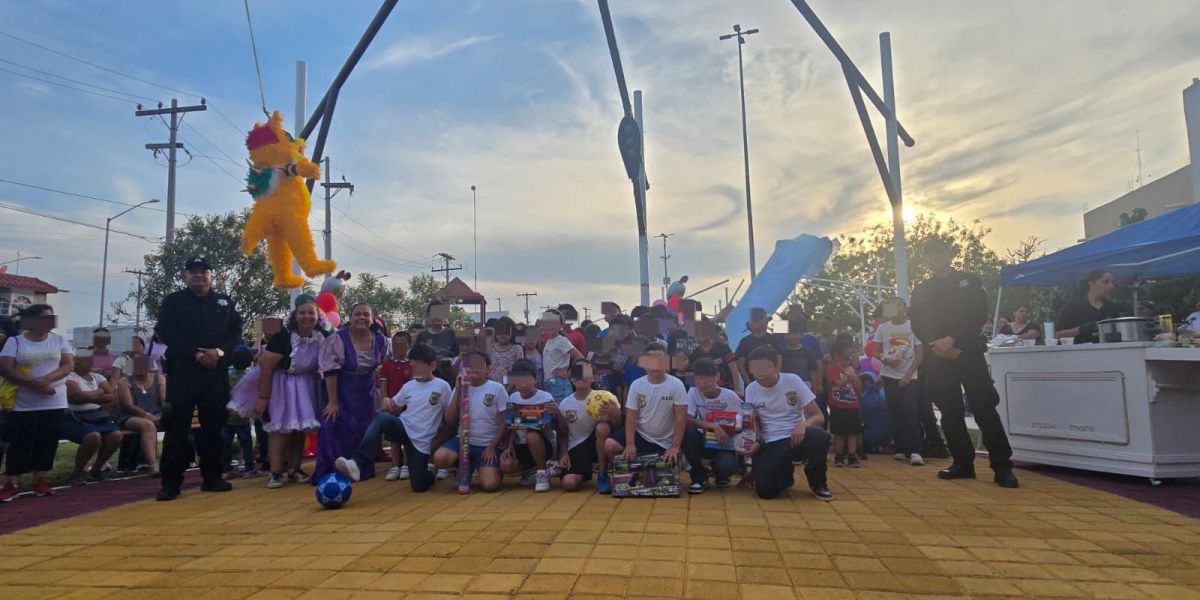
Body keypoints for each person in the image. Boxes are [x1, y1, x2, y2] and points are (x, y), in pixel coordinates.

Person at [910, 239, 1018, 488]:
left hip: (967, 352)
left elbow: (978, 314)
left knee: (984, 408)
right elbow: (918, 322)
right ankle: (962, 462)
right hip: (938, 356)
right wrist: (936, 343)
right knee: (949, 412)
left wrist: (954, 340)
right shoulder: (922, 290)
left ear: (949, 255)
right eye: (930, 255)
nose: (935, 258)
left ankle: (1002, 467)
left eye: (939, 253)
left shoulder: (969, 282)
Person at [153, 257, 244, 501]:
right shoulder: (173, 302)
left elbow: (236, 331)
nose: (199, 276)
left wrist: (219, 352)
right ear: (186, 276)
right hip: (183, 372)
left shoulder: (224, 302)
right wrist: (195, 353)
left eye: (203, 272)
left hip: (214, 372)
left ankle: (213, 478)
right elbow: (166, 332)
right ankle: (170, 484)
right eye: (193, 273)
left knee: (213, 427)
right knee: (177, 428)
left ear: (211, 275)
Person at [335, 344, 450, 492]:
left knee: (419, 486)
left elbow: (449, 417)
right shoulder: (409, 386)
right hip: (403, 427)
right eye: (413, 365)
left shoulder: (442, 386)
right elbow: (391, 406)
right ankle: (357, 463)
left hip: (421, 441)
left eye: (418, 365)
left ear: (432, 365)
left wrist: (440, 440)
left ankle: (428, 472)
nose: (413, 369)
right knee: (382, 419)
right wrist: (386, 402)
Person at [606, 343, 708, 494]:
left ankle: (698, 475)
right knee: (609, 445)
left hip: (667, 438)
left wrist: (674, 446)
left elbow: (681, 418)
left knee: (690, 435)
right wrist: (630, 443)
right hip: (641, 434)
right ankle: (618, 476)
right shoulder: (636, 385)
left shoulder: (676, 385)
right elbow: (631, 416)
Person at [0, 304, 74, 501]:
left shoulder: (59, 340)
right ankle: (10, 482)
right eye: (45, 317)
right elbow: (6, 368)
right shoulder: (15, 341)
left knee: (47, 440)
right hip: (23, 402)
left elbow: (67, 365)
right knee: (19, 441)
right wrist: (35, 385)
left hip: (53, 400)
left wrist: (46, 381)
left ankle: (41, 479)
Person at [742, 345, 832, 501]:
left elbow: (818, 416)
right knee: (765, 492)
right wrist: (757, 442)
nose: (760, 373)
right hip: (771, 440)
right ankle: (784, 475)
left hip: (797, 435)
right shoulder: (751, 389)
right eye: (755, 369)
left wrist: (802, 426)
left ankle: (818, 483)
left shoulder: (792, 380)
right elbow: (753, 420)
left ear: (776, 366)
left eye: (765, 367)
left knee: (820, 437)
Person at [316, 303, 388, 484]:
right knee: (337, 426)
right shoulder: (337, 339)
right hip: (341, 390)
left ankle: (360, 468)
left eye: (366, 315)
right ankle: (333, 471)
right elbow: (330, 372)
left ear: (372, 319)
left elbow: (383, 365)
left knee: (364, 430)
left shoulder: (381, 340)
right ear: (350, 318)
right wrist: (333, 401)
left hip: (366, 392)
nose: (362, 318)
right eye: (358, 314)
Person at [431, 352, 509, 492]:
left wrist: (492, 446)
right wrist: (458, 390)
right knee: (440, 458)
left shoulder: (497, 389)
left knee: (490, 485)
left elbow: (505, 421)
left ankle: (485, 468)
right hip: (463, 441)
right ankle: (464, 468)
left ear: (488, 369)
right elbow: (449, 420)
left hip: (487, 444)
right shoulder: (460, 387)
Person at [871, 297, 925, 466]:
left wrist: (908, 374)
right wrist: (885, 359)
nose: (896, 310)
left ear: (904, 308)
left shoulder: (914, 326)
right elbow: (875, 351)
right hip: (889, 375)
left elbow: (920, 353)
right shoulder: (883, 328)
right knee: (894, 411)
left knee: (910, 411)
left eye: (899, 306)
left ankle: (916, 450)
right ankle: (901, 448)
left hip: (909, 376)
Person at [559, 361, 621, 493]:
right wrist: (563, 453)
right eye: (577, 373)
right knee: (568, 484)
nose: (581, 377)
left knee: (602, 427)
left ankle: (603, 474)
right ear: (571, 377)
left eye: (585, 373)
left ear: (594, 377)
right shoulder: (565, 403)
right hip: (576, 446)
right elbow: (563, 433)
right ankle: (585, 472)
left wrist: (617, 414)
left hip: (599, 441)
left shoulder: (605, 397)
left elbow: (618, 426)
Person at [63, 350, 123, 485]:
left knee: (116, 435)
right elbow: (76, 397)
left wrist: (91, 397)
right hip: (75, 417)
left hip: (98, 416)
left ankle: (96, 470)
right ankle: (78, 473)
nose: (90, 363)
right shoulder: (69, 377)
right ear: (76, 361)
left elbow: (112, 398)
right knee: (93, 437)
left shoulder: (98, 377)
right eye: (86, 360)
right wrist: (99, 392)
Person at [500, 359, 560, 492]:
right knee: (506, 465)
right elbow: (511, 426)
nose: (524, 384)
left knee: (532, 434)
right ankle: (529, 471)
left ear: (535, 379)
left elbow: (548, 423)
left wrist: (528, 419)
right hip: (520, 444)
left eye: (528, 379)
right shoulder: (513, 398)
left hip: (544, 444)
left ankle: (542, 473)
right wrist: (509, 445)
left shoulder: (546, 397)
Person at [686, 358, 742, 488]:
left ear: (717, 377)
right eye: (699, 378)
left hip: (723, 441)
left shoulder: (730, 396)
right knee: (688, 432)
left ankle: (722, 474)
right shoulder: (693, 393)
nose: (703, 382)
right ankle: (699, 476)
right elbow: (687, 418)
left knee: (726, 466)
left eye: (708, 378)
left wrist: (730, 429)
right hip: (702, 440)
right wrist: (712, 426)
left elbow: (742, 420)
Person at [114, 355, 164, 476]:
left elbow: (164, 401)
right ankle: (153, 465)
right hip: (129, 416)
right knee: (148, 425)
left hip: (156, 415)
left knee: (177, 422)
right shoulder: (124, 382)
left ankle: (176, 460)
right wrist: (149, 416)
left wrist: (164, 416)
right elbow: (128, 406)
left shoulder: (160, 379)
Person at [377, 330, 413, 481]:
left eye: (402, 345)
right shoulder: (387, 365)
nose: (399, 348)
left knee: (407, 436)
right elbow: (383, 385)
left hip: (407, 407)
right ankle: (395, 465)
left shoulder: (412, 365)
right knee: (393, 438)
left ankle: (406, 464)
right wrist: (386, 400)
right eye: (396, 344)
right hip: (393, 405)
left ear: (409, 345)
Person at [1055, 270, 1125, 344]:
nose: (1111, 286)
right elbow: (1058, 335)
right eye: (1106, 282)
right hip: (1080, 353)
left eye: (1112, 282)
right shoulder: (1072, 308)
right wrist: (1080, 330)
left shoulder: (1116, 308)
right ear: (1091, 284)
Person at [221, 347, 260, 479]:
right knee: (246, 442)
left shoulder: (226, 375)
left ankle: (225, 469)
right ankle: (249, 468)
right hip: (242, 415)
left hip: (226, 415)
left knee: (226, 442)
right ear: (249, 362)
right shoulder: (249, 376)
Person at [825, 342, 863, 468]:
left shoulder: (853, 370)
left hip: (852, 405)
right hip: (837, 406)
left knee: (853, 431)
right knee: (839, 432)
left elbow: (858, 389)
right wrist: (847, 375)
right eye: (845, 356)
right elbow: (838, 384)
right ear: (837, 356)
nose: (848, 359)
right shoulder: (832, 370)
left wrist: (855, 377)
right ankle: (839, 455)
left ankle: (852, 454)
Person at [539, 310, 584, 402]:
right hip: (549, 383)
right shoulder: (549, 341)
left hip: (559, 383)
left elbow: (580, 357)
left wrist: (569, 373)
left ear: (561, 325)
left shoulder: (561, 340)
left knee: (564, 412)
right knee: (555, 413)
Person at [735, 307, 783, 385]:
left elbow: (779, 362)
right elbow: (741, 367)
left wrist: (775, 379)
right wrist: (749, 384)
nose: (756, 322)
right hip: (752, 384)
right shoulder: (744, 342)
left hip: (773, 383)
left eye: (760, 319)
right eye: (754, 320)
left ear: (766, 321)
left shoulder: (774, 340)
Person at [689, 319, 740, 390]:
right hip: (706, 392)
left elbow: (734, 369)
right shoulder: (694, 354)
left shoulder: (723, 347)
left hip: (727, 388)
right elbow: (693, 376)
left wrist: (737, 390)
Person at [486, 317, 524, 384]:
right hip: (492, 385)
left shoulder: (517, 349)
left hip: (511, 386)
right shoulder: (490, 349)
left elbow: (519, 371)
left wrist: (508, 388)